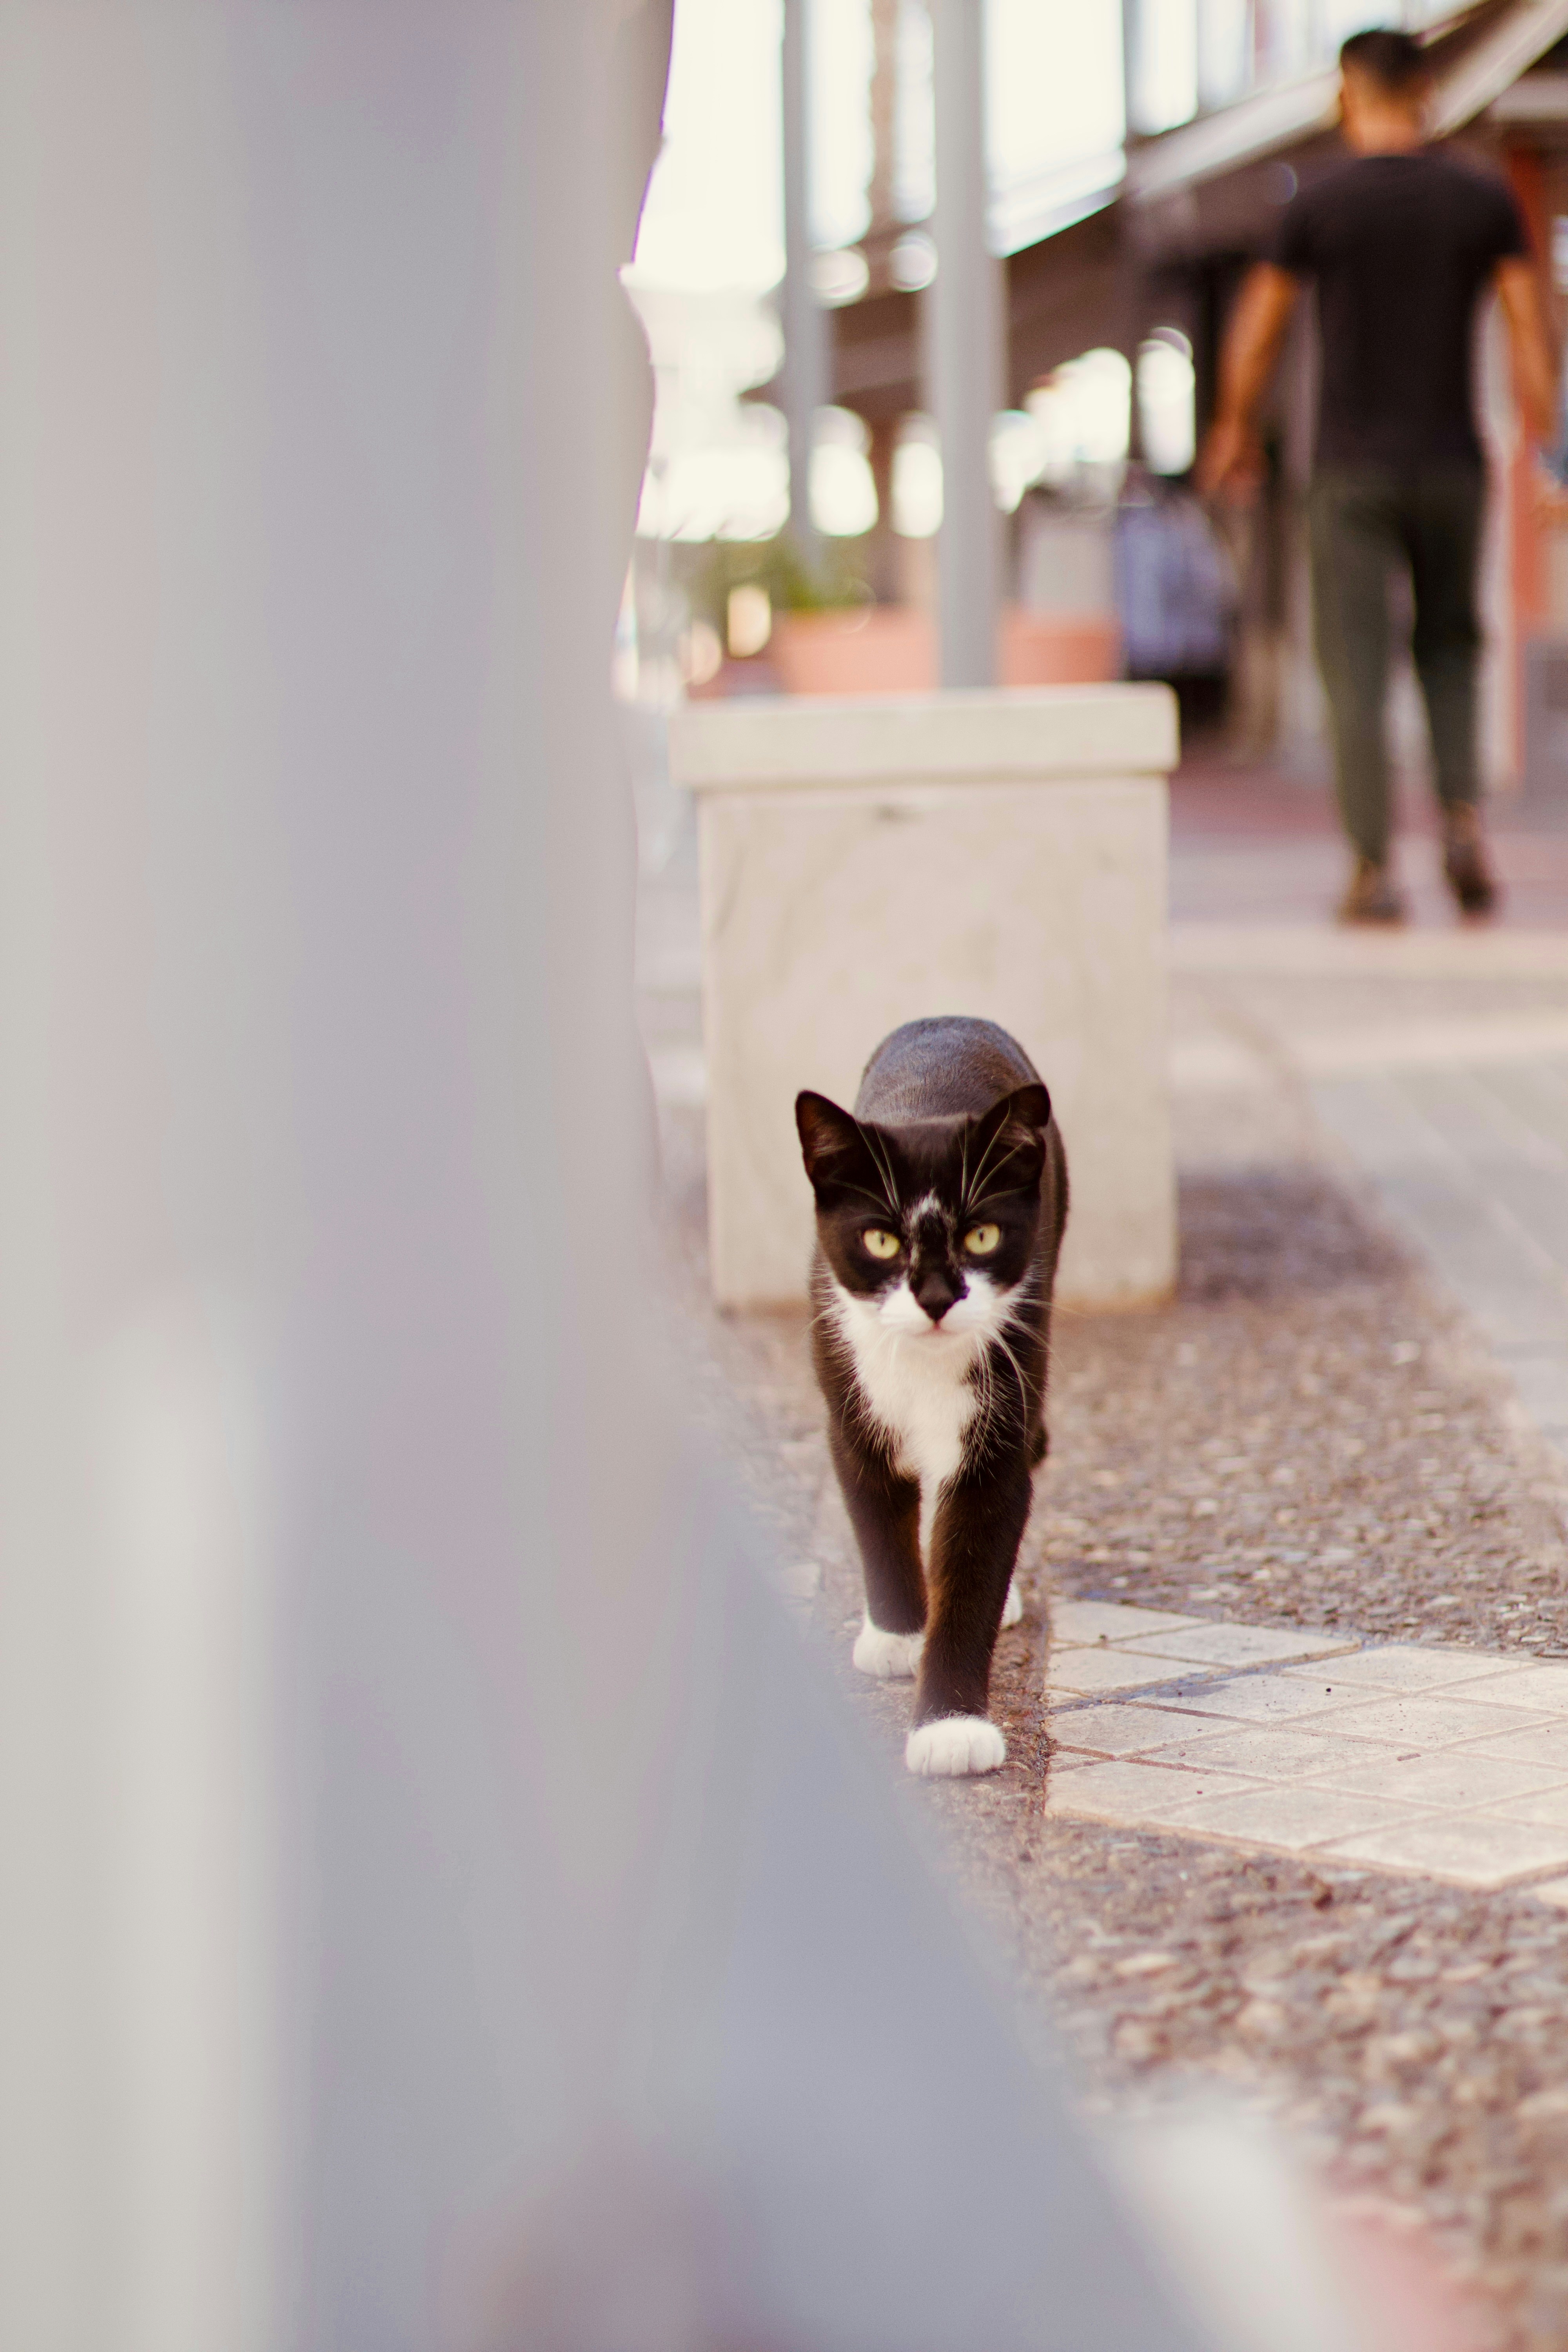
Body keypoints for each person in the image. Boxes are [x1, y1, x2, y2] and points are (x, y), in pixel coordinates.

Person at [1199, 26, 1559, 924]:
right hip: (1451, 464)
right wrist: (1548, 448)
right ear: (1427, 96)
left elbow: (1257, 329)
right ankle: (1463, 829)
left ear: (1343, 97)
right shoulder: (1479, 201)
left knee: (1352, 668)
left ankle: (1369, 870)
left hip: (1349, 473)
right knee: (1450, 649)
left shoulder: (1318, 203)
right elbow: (1528, 331)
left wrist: (1234, 430)